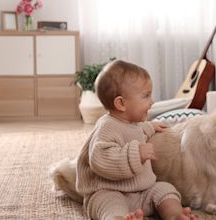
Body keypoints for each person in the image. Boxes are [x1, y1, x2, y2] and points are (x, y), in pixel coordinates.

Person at [76, 60, 196, 220]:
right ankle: (118, 217)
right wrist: (136, 154)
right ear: (121, 103)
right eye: (146, 96)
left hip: (141, 192)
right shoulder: (107, 126)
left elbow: (136, 131)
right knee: (109, 205)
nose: (152, 101)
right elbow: (101, 160)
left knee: (164, 189)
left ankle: (175, 214)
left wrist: (151, 127)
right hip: (109, 191)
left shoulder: (133, 124)